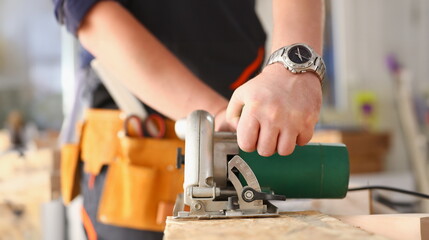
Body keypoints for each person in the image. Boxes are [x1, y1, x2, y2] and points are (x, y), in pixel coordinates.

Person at [54, 0, 324, 239]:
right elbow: (89, 12)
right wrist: (216, 117)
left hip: (240, 113)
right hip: (136, 133)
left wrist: (292, 67)